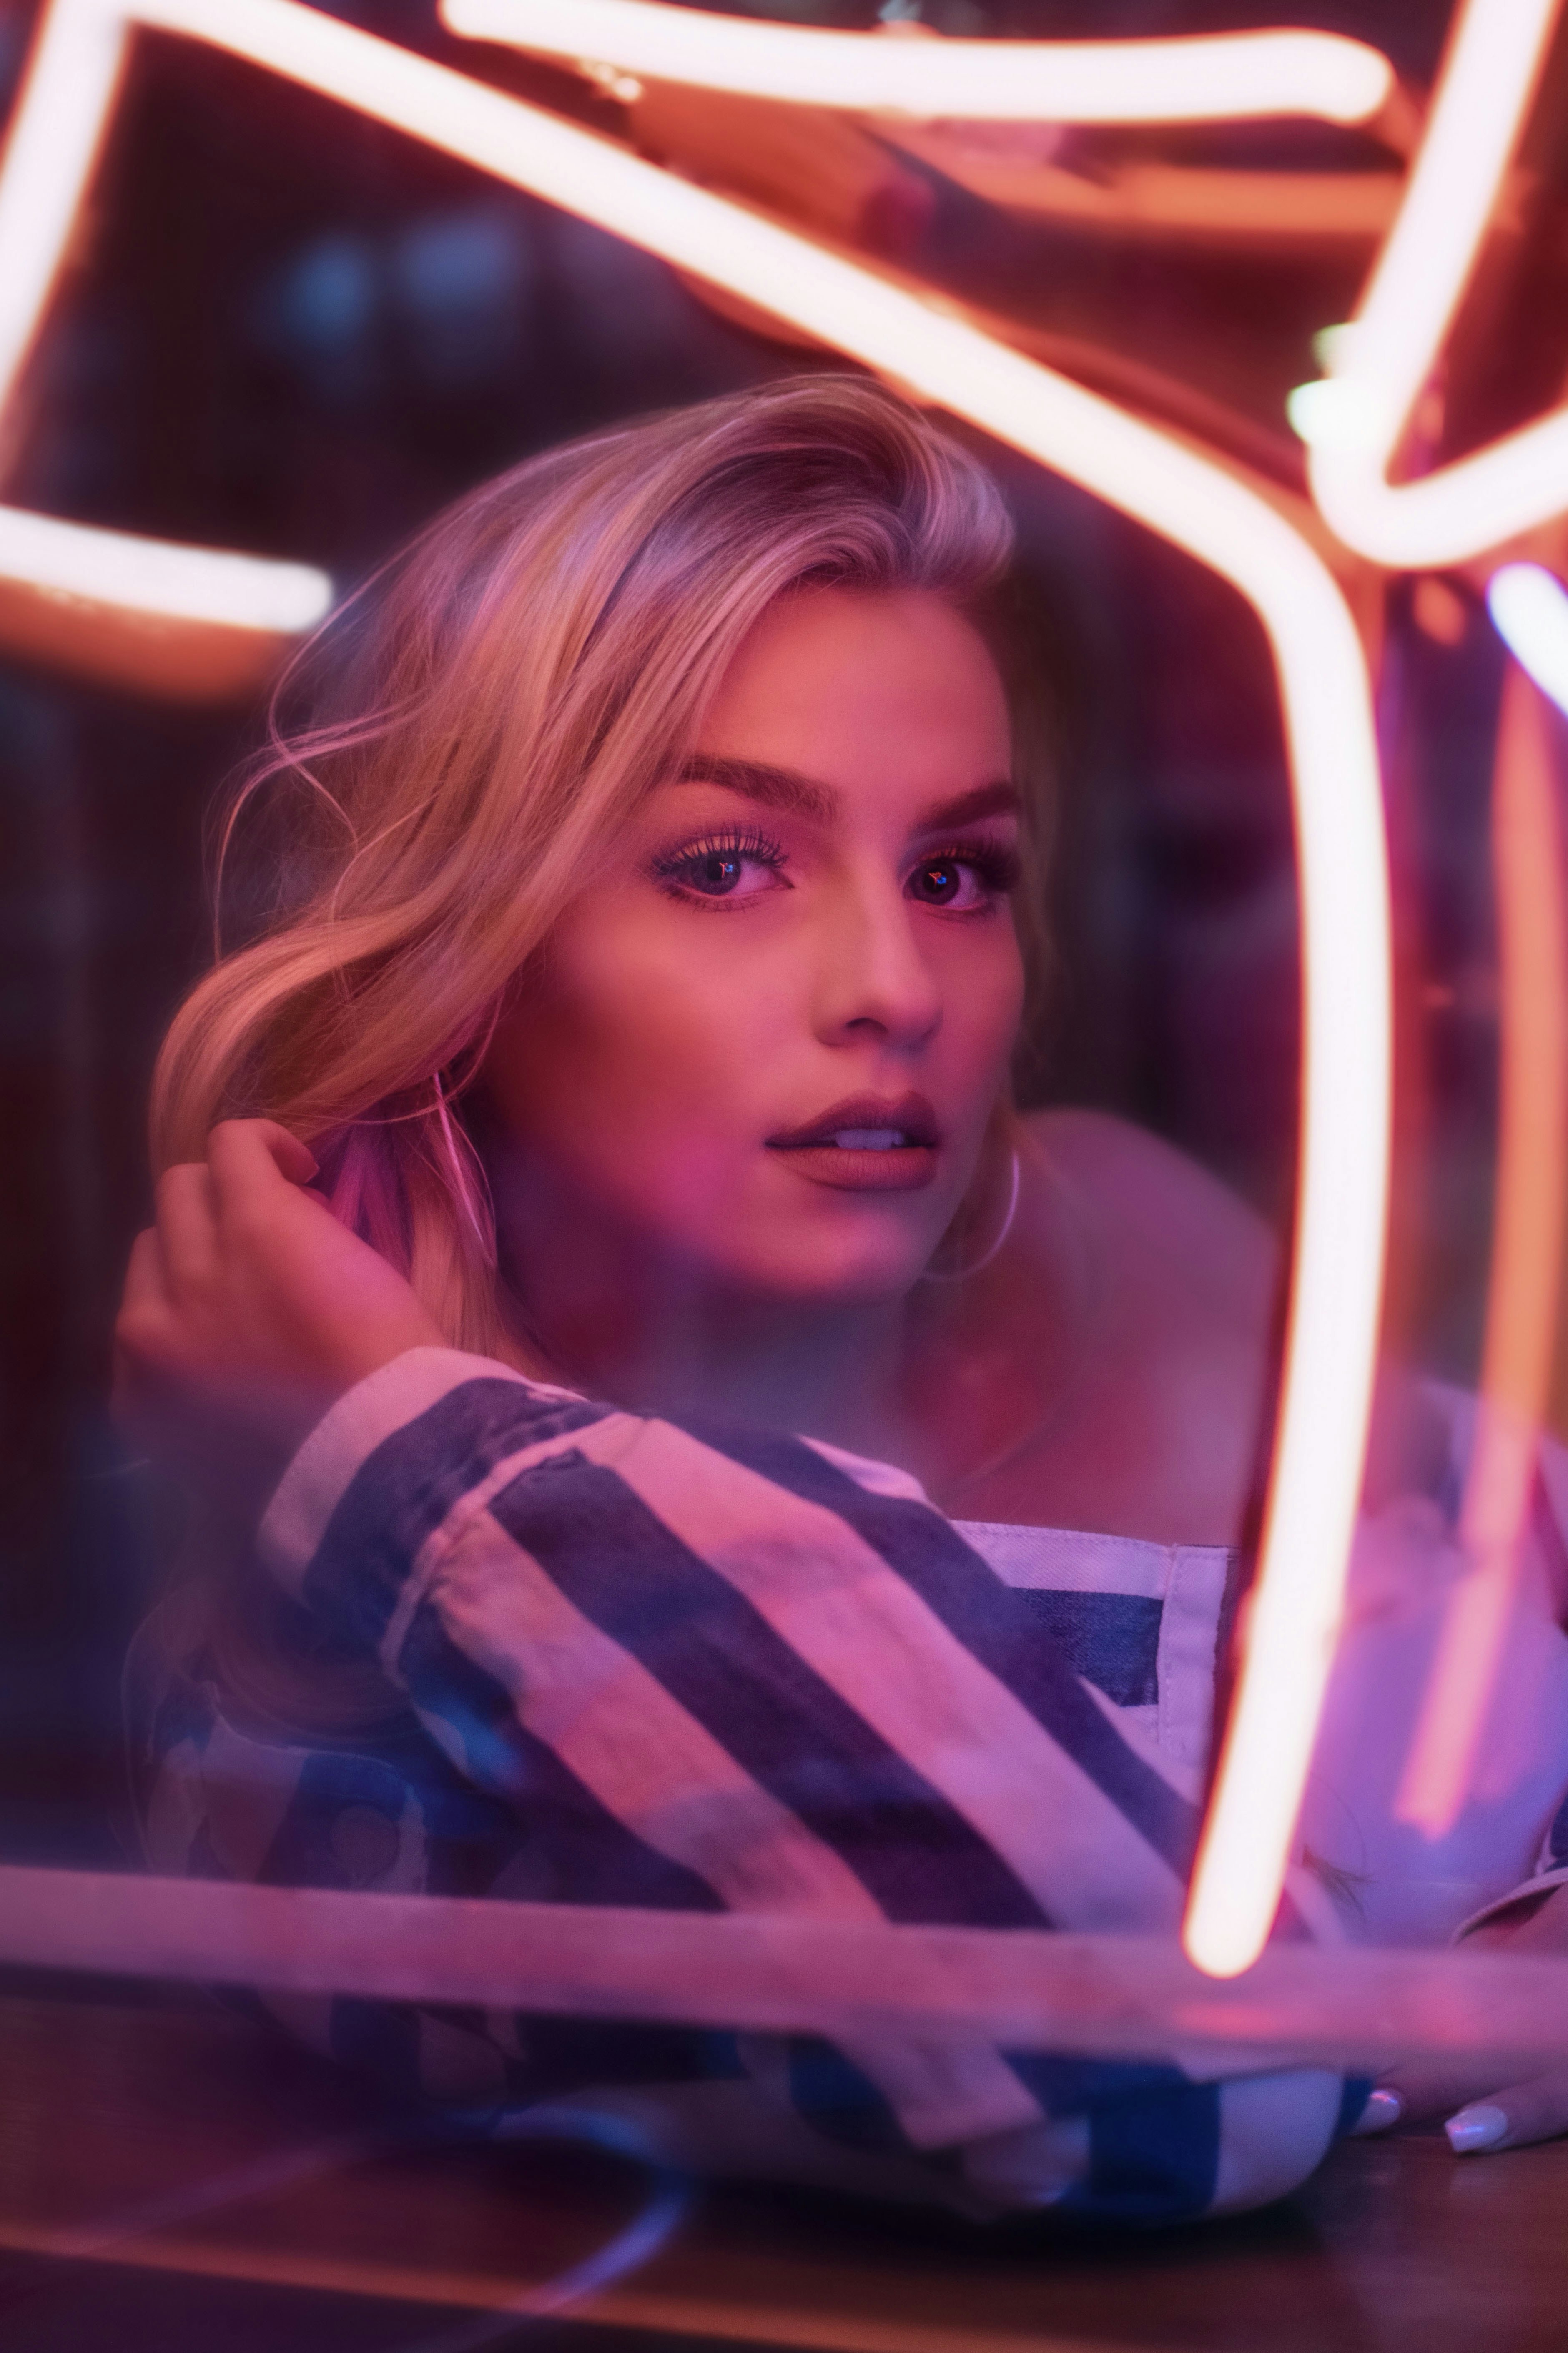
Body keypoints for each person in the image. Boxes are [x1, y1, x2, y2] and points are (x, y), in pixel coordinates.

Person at [112, 376, 1568, 2219]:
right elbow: (1183, 2084)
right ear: (467, 947)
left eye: (954, 872)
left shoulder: (1123, 1215)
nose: (896, 984)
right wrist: (416, 1457)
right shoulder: (368, 1644)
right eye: (725, 866)